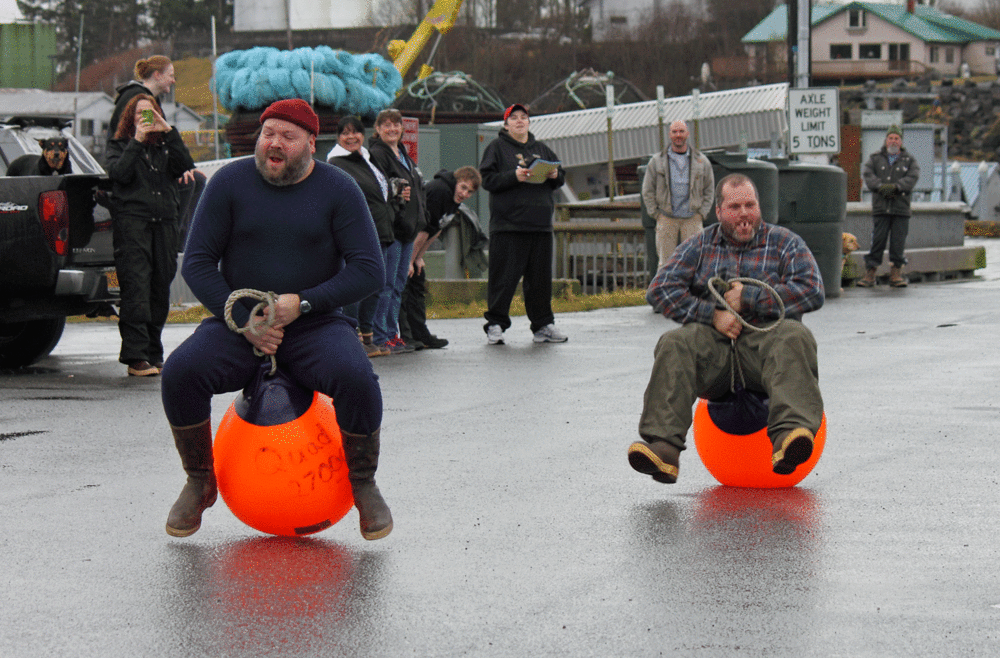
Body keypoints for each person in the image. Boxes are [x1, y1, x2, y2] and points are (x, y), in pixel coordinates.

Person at [160, 99, 392, 541]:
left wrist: (301, 304)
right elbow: (198, 263)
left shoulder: (338, 188)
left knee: (357, 376)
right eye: (268, 134)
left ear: (309, 143)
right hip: (241, 326)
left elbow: (369, 269)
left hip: (314, 325)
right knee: (180, 372)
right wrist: (247, 320)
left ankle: (363, 484)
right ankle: (200, 480)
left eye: (287, 136)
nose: (274, 143)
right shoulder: (229, 182)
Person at [628, 174, 825, 484]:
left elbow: (812, 290)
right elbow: (660, 289)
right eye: (734, 207)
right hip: (716, 355)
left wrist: (751, 298)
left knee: (794, 334)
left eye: (750, 205)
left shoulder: (785, 242)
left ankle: (791, 438)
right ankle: (663, 448)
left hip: (764, 352)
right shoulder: (699, 245)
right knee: (675, 341)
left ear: (760, 207)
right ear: (718, 212)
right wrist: (712, 314)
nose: (744, 213)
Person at [105, 94, 196, 377]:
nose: (146, 118)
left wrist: (168, 132)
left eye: (151, 113)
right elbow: (118, 174)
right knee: (136, 286)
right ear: (130, 119)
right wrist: (138, 140)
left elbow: (185, 164)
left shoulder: (165, 145)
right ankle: (135, 356)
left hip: (165, 222)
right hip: (133, 224)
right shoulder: (119, 145)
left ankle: (154, 352)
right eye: (140, 114)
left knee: (160, 285)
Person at [479, 103, 567, 345]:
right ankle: (495, 325)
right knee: (503, 279)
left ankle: (543, 325)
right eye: (514, 118)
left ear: (529, 122)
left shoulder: (541, 148)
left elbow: (561, 175)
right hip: (508, 225)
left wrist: (554, 175)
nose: (519, 121)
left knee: (539, 281)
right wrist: (513, 176)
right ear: (506, 124)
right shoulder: (496, 148)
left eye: (524, 117)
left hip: (539, 225)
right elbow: (486, 179)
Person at [108, 55, 204, 239]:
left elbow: (157, 138)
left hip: (151, 159)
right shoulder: (136, 98)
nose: (174, 80)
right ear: (158, 75)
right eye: (171, 75)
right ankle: (172, 236)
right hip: (135, 163)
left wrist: (180, 165)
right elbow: (133, 136)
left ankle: (183, 235)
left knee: (196, 179)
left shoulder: (150, 99)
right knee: (189, 182)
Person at [327, 115, 399, 358]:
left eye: (356, 132)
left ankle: (367, 337)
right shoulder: (337, 162)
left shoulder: (366, 158)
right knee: (357, 286)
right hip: (358, 233)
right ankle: (351, 337)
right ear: (338, 137)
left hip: (381, 229)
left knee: (377, 285)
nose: (351, 137)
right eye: (345, 133)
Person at [400, 166, 482, 349]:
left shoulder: (454, 199)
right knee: (404, 287)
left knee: (418, 282)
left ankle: (420, 334)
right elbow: (422, 230)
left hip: (417, 244)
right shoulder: (440, 191)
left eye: (470, 192)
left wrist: (419, 258)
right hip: (405, 240)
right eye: (463, 187)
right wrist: (409, 261)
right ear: (456, 181)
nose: (465, 194)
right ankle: (406, 336)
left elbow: (437, 230)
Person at [367, 109, 424, 354]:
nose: (392, 129)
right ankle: (380, 336)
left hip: (408, 229)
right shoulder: (377, 154)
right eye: (386, 125)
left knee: (398, 285)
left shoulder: (403, 154)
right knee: (386, 285)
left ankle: (393, 335)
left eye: (396, 125)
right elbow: (379, 189)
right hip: (392, 228)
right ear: (377, 129)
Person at [641, 119, 715, 268]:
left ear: (687, 134)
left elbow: (709, 189)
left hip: (692, 219)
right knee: (665, 263)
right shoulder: (657, 161)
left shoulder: (701, 161)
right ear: (670, 135)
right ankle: (665, 290)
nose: (678, 135)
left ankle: (691, 291)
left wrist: (702, 213)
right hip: (666, 218)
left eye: (681, 131)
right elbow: (647, 190)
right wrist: (656, 214)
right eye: (675, 131)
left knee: (695, 261)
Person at [858, 125, 920, 288]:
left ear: (901, 141)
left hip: (901, 208)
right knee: (877, 240)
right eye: (891, 138)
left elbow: (913, 177)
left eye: (896, 138)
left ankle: (896, 273)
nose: (893, 141)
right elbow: (868, 174)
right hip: (881, 207)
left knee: (898, 242)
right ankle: (870, 274)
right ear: (886, 140)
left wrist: (897, 187)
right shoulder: (875, 158)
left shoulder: (909, 160)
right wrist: (880, 187)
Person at [6, 137, 73, 176]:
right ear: (43, 149)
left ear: (66, 151)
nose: (56, 152)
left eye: (61, 147)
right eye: (50, 147)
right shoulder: (19, 165)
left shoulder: (69, 174)